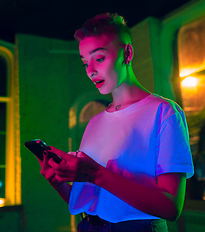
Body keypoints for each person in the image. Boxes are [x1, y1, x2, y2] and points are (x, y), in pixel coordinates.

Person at [38, 13, 194, 232]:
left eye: (99, 58)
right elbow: (90, 204)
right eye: (85, 63)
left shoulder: (164, 112)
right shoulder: (94, 122)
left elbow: (170, 207)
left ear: (127, 53)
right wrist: (58, 180)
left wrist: (94, 173)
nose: (91, 71)